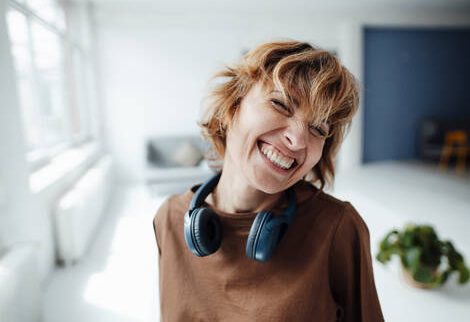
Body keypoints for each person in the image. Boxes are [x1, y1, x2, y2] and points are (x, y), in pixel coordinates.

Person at [153, 40, 384, 321]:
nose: (298, 140)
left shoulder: (338, 229)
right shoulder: (169, 219)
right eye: (281, 104)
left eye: (317, 128)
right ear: (233, 104)